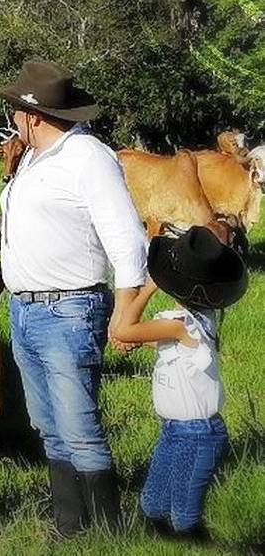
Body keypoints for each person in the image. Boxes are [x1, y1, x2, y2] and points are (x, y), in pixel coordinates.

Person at [0, 60, 149, 536]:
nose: (13, 117)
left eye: (16, 109)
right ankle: (70, 525)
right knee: (49, 427)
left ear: (32, 115)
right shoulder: (34, 157)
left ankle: (108, 531)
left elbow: (127, 240)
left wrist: (124, 312)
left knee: (79, 428)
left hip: (70, 309)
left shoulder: (89, 158)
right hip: (26, 309)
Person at [112, 224, 248, 542]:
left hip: (197, 433)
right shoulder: (199, 321)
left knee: (185, 515)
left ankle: (197, 543)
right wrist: (132, 337)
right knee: (154, 504)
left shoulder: (178, 325)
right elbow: (138, 336)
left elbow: (124, 330)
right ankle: (164, 535)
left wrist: (147, 288)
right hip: (179, 429)